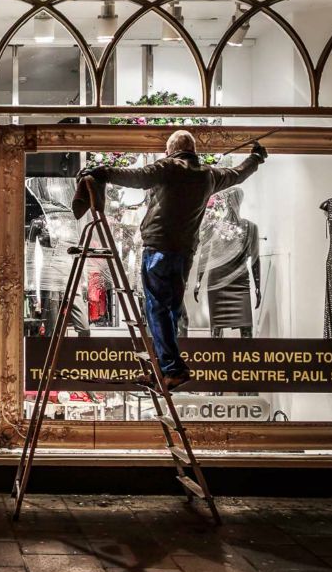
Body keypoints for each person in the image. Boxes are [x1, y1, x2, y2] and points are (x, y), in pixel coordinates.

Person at [73, 130, 268, 391]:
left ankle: (173, 369)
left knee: (157, 309)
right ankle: (161, 370)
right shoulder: (209, 175)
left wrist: (101, 172)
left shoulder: (168, 167)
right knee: (170, 311)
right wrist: (256, 157)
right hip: (184, 253)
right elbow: (239, 174)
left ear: (171, 150)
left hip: (159, 248)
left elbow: (136, 178)